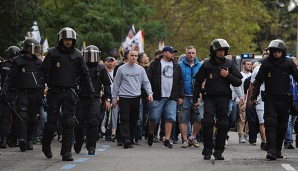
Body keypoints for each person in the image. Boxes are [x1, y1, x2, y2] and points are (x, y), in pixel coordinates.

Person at [38, 27, 94, 161]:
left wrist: (91, 90)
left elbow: (85, 74)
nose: (68, 42)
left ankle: (66, 152)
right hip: (54, 92)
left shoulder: (78, 55)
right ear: (61, 40)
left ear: (73, 40)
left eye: (70, 39)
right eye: (65, 39)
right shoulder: (52, 53)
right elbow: (42, 73)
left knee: (69, 122)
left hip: (70, 92)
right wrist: (42, 88)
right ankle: (46, 144)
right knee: (51, 122)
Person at [193, 39, 242, 160]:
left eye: (224, 50)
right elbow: (198, 82)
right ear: (213, 51)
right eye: (219, 50)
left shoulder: (229, 64)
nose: (222, 52)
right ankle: (207, 149)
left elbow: (238, 81)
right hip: (209, 97)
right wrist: (195, 99)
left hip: (224, 98)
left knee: (223, 124)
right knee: (208, 122)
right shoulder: (207, 64)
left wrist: (228, 75)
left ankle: (219, 151)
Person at [251, 39, 298, 160]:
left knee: (283, 125)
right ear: (271, 52)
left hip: (284, 99)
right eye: (274, 51)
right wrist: (253, 97)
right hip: (270, 98)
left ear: (283, 51)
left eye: (279, 51)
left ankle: (278, 149)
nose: (276, 54)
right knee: (270, 123)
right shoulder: (266, 63)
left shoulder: (289, 63)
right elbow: (257, 81)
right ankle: (271, 150)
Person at [1, 38, 42, 152]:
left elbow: (43, 78)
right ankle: (22, 139)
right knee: (22, 116)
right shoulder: (18, 61)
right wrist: (4, 91)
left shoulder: (39, 62)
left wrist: (41, 93)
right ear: (27, 49)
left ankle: (29, 139)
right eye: (33, 48)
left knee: (33, 119)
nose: (35, 50)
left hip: (35, 94)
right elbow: (10, 78)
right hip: (22, 93)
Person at [74, 45, 111, 155]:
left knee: (93, 121)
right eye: (88, 55)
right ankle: (78, 142)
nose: (91, 57)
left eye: (93, 55)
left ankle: (91, 146)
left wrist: (108, 98)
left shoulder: (101, 68)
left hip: (94, 98)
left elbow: (107, 84)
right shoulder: (79, 67)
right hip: (80, 99)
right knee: (79, 123)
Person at [112, 50, 153, 149]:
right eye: (132, 55)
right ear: (127, 56)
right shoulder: (121, 69)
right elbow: (116, 84)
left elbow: (146, 82)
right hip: (124, 97)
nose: (134, 57)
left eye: (135, 56)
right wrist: (114, 98)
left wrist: (150, 93)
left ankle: (130, 137)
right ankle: (125, 139)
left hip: (136, 97)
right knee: (124, 118)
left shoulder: (141, 69)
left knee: (134, 119)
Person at [147, 46, 184, 148]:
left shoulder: (176, 65)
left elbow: (180, 81)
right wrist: (149, 93)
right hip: (158, 95)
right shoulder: (155, 64)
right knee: (154, 117)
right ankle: (150, 133)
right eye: (171, 52)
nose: (173, 54)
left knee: (170, 117)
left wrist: (181, 96)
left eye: (173, 53)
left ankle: (167, 139)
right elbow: (148, 79)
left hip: (172, 96)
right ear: (164, 53)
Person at [178, 46, 202, 148]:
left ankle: (193, 137)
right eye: (189, 53)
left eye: (193, 53)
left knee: (199, 117)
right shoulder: (179, 65)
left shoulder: (200, 65)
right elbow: (177, 81)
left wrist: (202, 92)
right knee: (183, 118)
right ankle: (184, 139)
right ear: (186, 54)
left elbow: (204, 81)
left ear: (195, 54)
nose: (191, 55)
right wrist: (179, 96)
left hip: (197, 96)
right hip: (184, 96)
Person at [0, 46, 20, 148]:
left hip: (5, 94)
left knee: (5, 118)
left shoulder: (3, 65)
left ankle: (3, 141)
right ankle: (13, 141)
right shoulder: (19, 65)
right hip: (16, 95)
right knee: (16, 118)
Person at [283, 56, 298, 149]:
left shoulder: (296, 74)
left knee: (293, 121)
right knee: (288, 121)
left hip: (296, 99)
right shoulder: (287, 74)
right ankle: (288, 141)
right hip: (288, 99)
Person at [237, 60, 252, 143]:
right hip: (242, 99)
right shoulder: (240, 75)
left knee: (249, 119)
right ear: (243, 65)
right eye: (248, 64)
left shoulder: (252, 75)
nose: (249, 66)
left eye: (250, 64)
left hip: (249, 100)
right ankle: (241, 135)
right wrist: (241, 99)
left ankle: (247, 134)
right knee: (242, 118)